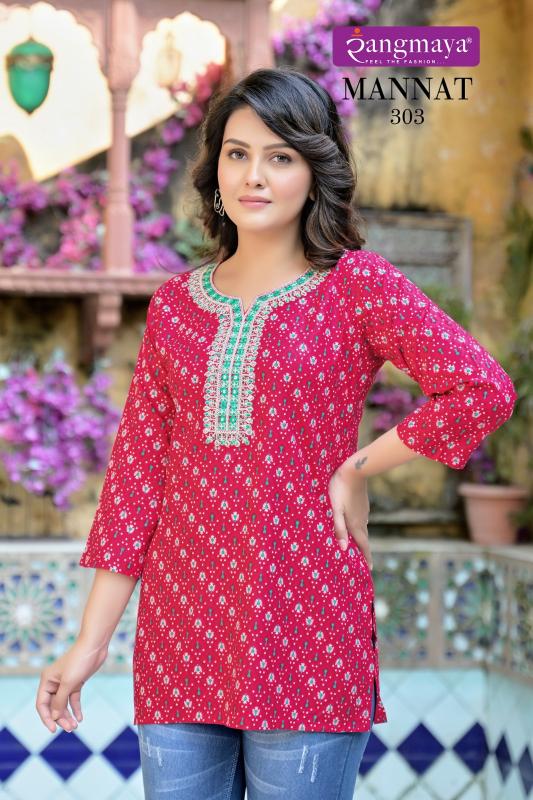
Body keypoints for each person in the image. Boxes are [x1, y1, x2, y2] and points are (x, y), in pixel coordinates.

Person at [35, 66, 517, 799]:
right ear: (215, 169)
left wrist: (357, 468)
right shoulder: (175, 307)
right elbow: (136, 484)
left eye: (280, 156)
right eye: (237, 153)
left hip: (308, 633)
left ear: (315, 171)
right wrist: (88, 644)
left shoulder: (356, 287)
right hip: (180, 639)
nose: (253, 176)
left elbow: (480, 388)